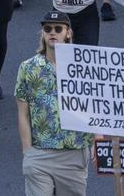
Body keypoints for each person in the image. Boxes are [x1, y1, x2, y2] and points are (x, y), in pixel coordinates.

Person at [16, 11, 91, 196]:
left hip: (74, 152)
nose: (52, 32)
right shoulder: (28, 67)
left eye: (58, 29)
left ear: (68, 33)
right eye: (47, 28)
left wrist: (98, 140)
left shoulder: (84, 66)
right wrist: (28, 151)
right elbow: (23, 112)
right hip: (40, 153)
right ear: (42, 33)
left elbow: (95, 107)